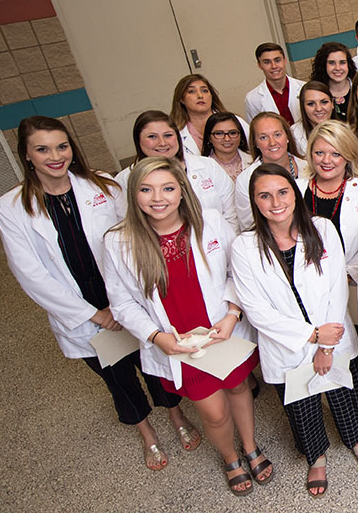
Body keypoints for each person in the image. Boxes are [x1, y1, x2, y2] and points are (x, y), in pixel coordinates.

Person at [0, 116, 200, 473]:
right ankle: (147, 433)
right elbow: (30, 274)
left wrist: (120, 305)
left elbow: (135, 238)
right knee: (117, 376)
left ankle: (176, 413)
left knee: (154, 364)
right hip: (81, 311)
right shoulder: (10, 207)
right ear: (26, 155)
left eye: (62, 146)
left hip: (123, 295)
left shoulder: (103, 186)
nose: (55, 156)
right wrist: (95, 314)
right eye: (42, 149)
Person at [102, 157, 269, 496]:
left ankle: (250, 447)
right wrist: (155, 336)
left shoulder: (209, 222)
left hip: (223, 331)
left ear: (182, 191)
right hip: (180, 346)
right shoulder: (118, 241)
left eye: (167, 188)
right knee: (215, 412)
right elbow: (122, 303)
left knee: (238, 390)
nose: (157, 197)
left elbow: (237, 272)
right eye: (146, 189)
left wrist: (232, 314)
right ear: (134, 195)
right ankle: (230, 457)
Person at [231, 164, 358, 497]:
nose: (275, 202)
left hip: (333, 335)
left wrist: (326, 346)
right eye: (264, 196)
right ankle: (316, 456)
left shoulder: (322, 229)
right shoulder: (244, 247)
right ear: (254, 202)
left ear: (295, 194)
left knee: (345, 392)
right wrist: (311, 337)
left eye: (282, 192)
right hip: (287, 345)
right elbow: (256, 310)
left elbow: (336, 289)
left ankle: (357, 440)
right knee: (301, 404)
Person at [297, 120, 358, 280]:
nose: (326, 161)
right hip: (307, 280)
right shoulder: (296, 190)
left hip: (355, 280)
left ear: (348, 155)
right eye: (319, 153)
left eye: (336, 154)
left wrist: (350, 271)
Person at [116, 111, 237, 230]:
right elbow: (129, 225)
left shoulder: (207, 165)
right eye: (152, 137)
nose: (162, 143)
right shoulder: (124, 180)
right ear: (138, 141)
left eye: (168, 135)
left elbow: (231, 213)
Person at [235, 112, 307, 230]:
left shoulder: (308, 168)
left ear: (287, 137)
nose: (272, 142)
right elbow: (248, 226)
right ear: (255, 143)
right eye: (263, 137)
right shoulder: (245, 180)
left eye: (277, 134)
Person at [170, 74, 246, 158]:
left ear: (211, 96)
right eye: (191, 91)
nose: (200, 96)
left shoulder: (235, 121)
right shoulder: (176, 132)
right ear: (182, 99)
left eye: (204, 91)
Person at [245, 42, 306, 123]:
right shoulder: (252, 99)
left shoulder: (304, 88)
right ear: (259, 65)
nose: (274, 66)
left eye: (277, 60)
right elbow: (254, 131)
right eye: (267, 62)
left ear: (285, 61)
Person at [200, 111, 253, 182]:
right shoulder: (200, 168)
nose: (227, 139)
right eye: (219, 133)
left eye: (232, 133)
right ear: (209, 138)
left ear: (240, 136)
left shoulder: (254, 162)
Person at [310, 42, 357, 121]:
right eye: (332, 63)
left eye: (342, 62)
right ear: (323, 65)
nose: (338, 68)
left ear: (348, 64)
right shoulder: (316, 93)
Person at [291, 81, 334, 154]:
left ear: (332, 104)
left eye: (324, 102)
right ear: (303, 107)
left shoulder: (346, 130)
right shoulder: (294, 134)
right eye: (311, 104)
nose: (318, 109)